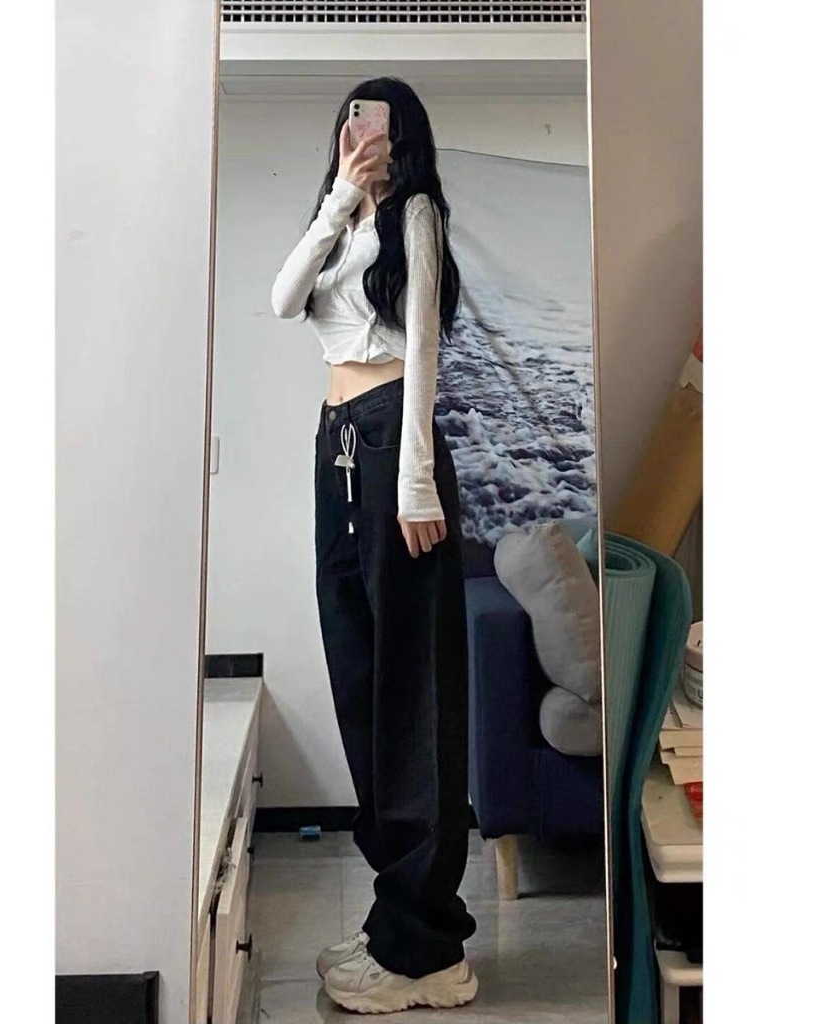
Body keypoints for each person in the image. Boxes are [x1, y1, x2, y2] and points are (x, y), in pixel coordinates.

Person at [271, 78, 478, 1014]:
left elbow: (423, 341)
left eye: (381, 124)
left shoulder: (417, 217)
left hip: (398, 438)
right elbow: (283, 300)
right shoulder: (340, 221)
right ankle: (399, 918)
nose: (364, 135)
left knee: (413, 686)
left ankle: (428, 953)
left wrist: (418, 477)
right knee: (359, 675)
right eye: (352, 121)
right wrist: (338, 201)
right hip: (339, 443)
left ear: (407, 138)